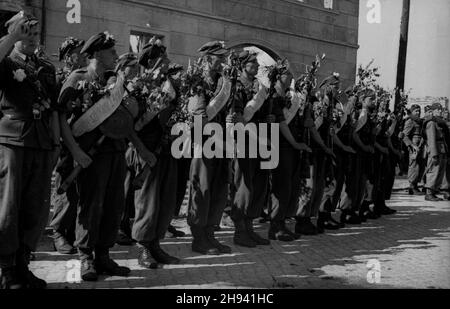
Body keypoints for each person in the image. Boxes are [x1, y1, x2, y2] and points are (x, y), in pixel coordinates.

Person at [58, 32, 131, 281]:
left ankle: (103, 255)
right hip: (91, 154)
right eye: (111, 52)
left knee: (113, 204)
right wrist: (76, 152)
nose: (115, 56)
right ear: (98, 53)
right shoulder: (78, 79)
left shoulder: (114, 81)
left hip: (116, 151)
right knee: (91, 204)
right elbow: (61, 119)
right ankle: (85, 257)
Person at [0, 12, 59, 289]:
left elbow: (54, 109)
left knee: (34, 206)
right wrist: (13, 35)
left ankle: (23, 264)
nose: (33, 39)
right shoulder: (7, 61)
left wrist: (55, 144)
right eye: (27, 33)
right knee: (9, 206)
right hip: (13, 139)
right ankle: (7, 270)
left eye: (35, 34)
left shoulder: (44, 67)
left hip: (41, 141)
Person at [131, 40, 183, 268]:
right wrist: (142, 151)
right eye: (163, 59)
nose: (168, 63)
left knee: (165, 199)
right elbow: (131, 124)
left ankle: (156, 245)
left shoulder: (170, 85)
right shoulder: (138, 86)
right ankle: (143, 248)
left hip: (168, 148)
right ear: (151, 62)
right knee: (148, 201)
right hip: (149, 151)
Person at [188, 41, 232, 255]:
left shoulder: (222, 82)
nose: (223, 61)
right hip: (204, 143)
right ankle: (198, 238)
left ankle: (210, 234)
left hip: (221, 143)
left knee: (218, 189)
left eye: (223, 57)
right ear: (207, 59)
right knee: (202, 189)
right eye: (219, 57)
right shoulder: (198, 82)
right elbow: (199, 117)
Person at [50, 37, 87, 254]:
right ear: (68, 56)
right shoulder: (60, 78)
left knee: (79, 190)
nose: (83, 56)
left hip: (82, 139)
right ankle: (58, 232)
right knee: (65, 187)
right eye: (79, 52)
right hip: (64, 141)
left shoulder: (85, 79)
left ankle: (73, 231)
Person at [270, 70, 312, 241]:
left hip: (290, 146)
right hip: (280, 145)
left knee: (289, 186)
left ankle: (281, 223)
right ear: (279, 76)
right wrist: (294, 143)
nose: (292, 78)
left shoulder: (290, 96)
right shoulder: (274, 95)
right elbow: (280, 122)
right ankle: (275, 226)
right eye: (288, 74)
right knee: (281, 186)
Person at [424, 103, 448, 201]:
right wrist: (434, 154)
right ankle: (429, 193)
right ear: (432, 112)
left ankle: (433, 191)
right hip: (436, 149)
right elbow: (431, 139)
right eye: (437, 110)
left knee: (439, 171)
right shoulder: (431, 123)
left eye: (440, 109)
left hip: (441, 149)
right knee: (433, 170)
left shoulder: (439, 122)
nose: (440, 111)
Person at [403, 104, 425, 195]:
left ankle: (415, 185)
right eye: (416, 111)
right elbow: (404, 136)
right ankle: (412, 186)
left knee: (420, 166)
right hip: (414, 145)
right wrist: (412, 145)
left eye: (419, 111)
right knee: (413, 165)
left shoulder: (419, 121)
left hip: (420, 144)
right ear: (411, 112)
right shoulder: (410, 121)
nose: (418, 113)